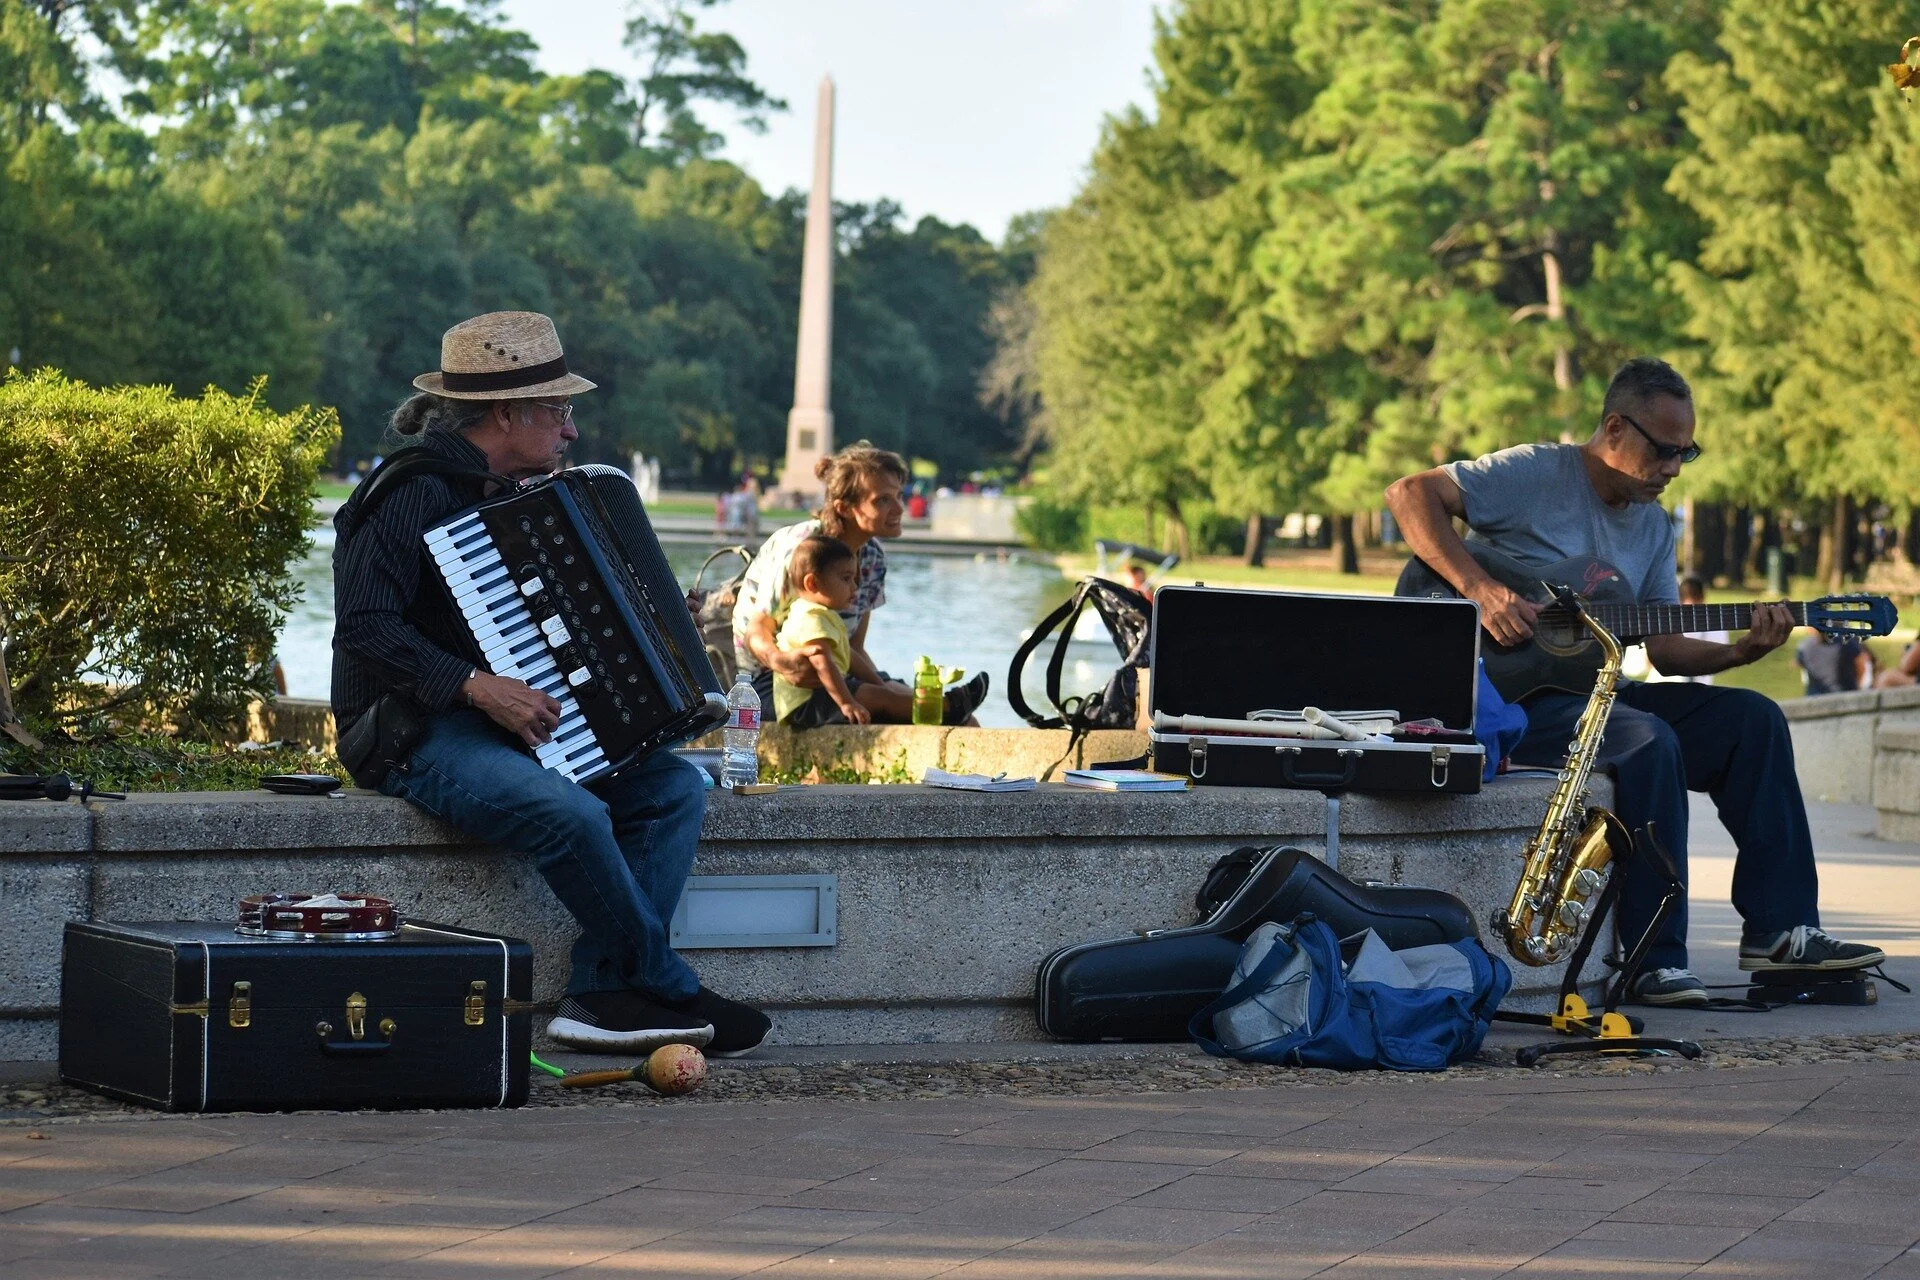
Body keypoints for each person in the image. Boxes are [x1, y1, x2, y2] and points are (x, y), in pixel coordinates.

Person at [330, 311, 769, 1056]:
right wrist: (475, 685)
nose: (570, 432)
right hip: (411, 732)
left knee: (672, 791)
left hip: (502, 724)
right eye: (559, 411)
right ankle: (662, 982)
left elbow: (559, 626)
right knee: (572, 814)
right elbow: (364, 626)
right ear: (506, 412)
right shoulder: (413, 491)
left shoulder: (524, 492)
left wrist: (653, 627)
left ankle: (602, 993)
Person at [1385, 356, 1884, 1008]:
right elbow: (1408, 494)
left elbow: (1669, 649)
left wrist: (1740, 653)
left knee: (1753, 721)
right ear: (1615, 428)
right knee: (1647, 741)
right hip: (1509, 700)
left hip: (1595, 698)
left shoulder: (1653, 525)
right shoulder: (1537, 472)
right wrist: (1484, 592)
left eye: (1688, 452)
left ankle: (1781, 932)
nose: (1675, 468)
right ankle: (1655, 958)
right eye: (1665, 450)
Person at [732, 443, 988, 728]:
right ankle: (946, 705)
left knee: (962, 721)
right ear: (844, 507)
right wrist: (784, 662)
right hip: (769, 683)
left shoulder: (873, 558)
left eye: (898, 496)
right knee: (899, 708)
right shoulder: (803, 549)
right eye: (882, 500)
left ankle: (951, 713)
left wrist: (885, 688)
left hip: (837, 673)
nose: (899, 508)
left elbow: (854, 646)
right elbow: (758, 630)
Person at [773, 535, 914, 726]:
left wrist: (882, 686)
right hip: (805, 704)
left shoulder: (826, 615)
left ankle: (941, 708)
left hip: (824, 695)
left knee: (880, 694)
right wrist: (847, 703)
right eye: (846, 579)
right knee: (874, 697)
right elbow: (822, 663)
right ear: (813, 584)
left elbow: (850, 656)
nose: (854, 587)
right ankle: (946, 709)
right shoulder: (810, 616)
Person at [1795, 631, 1871, 695]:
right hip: (1841, 694)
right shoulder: (1846, 642)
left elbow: (1798, 662)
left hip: (1830, 694)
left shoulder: (1804, 646)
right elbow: (1861, 664)